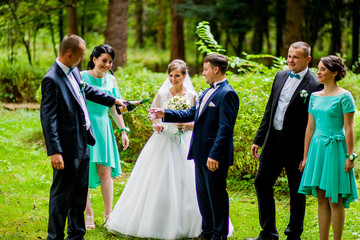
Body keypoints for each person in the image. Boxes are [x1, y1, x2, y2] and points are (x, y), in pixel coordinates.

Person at [40, 34, 126, 240]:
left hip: (84, 142)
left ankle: (76, 235)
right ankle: (55, 237)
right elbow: (48, 118)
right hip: (66, 147)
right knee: (61, 196)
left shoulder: (74, 72)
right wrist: (54, 151)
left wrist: (115, 99)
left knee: (79, 195)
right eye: (80, 56)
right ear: (69, 54)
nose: (82, 59)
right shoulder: (51, 79)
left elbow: (88, 91)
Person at [105, 59, 203, 239]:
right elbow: (153, 114)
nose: (173, 79)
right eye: (171, 75)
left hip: (185, 141)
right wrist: (156, 125)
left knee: (187, 180)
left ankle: (190, 222)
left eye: (177, 76)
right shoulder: (163, 93)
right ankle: (153, 221)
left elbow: (197, 120)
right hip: (163, 139)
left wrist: (187, 126)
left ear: (184, 75)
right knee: (158, 178)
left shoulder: (193, 96)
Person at [149, 54, 239, 240]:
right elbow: (191, 113)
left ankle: (219, 234)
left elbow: (225, 129)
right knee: (204, 196)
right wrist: (164, 112)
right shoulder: (207, 92)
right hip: (199, 152)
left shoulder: (227, 93)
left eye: (205, 69)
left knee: (216, 195)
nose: (203, 73)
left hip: (214, 156)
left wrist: (215, 155)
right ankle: (207, 232)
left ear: (215, 69)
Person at [248, 41, 322, 240]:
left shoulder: (315, 84)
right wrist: (259, 138)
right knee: (261, 183)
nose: (291, 60)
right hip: (273, 142)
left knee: (296, 191)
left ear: (307, 59)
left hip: (297, 147)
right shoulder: (280, 75)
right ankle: (268, 232)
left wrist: (308, 154)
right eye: (289, 56)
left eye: (296, 57)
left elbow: (314, 123)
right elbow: (269, 109)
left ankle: (293, 234)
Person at [298, 55, 358, 240]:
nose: (318, 72)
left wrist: (350, 156)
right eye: (318, 68)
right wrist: (306, 156)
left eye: (323, 69)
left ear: (334, 72)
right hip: (317, 149)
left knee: (336, 199)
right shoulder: (314, 96)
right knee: (321, 197)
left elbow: (349, 129)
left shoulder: (345, 96)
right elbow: (309, 128)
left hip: (336, 149)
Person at [80, 44, 130, 230]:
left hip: (104, 127)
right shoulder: (82, 77)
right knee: (83, 172)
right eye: (103, 60)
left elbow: (115, 107)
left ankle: (109, 214)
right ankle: (88, 215)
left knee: (105, 172)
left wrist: (123, 130)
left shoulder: (111, 79)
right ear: (94, 60)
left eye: (110, 61)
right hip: (85, 126)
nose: (107, 64)